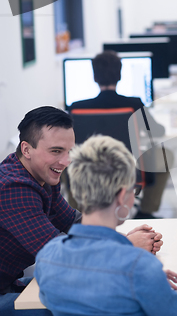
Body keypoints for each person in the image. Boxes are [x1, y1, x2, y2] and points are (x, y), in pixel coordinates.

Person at [34, 135, 177, 316]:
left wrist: (151, 282)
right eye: (134, 190)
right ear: (122, 196)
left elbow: (88, 282)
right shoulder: (141, 268)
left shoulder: (47, 258)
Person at [0, 107, 162, 315]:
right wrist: (127, 246)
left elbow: (73, 222)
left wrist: (120, 238)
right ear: (26, 149)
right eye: (56, 151)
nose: (66, 162)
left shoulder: (41, 175)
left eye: (70, 151)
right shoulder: (13, 188)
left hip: (11, 283)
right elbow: (60, 254)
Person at [68, 50, 169, 219]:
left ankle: (75, 213)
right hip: (127, 170)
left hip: (88, 170)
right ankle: (146, 210)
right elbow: (157, 131)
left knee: (67, 160)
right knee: (166, 155)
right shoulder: (134, 103)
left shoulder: (76, 107)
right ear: (120, 75)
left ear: (94, 77)